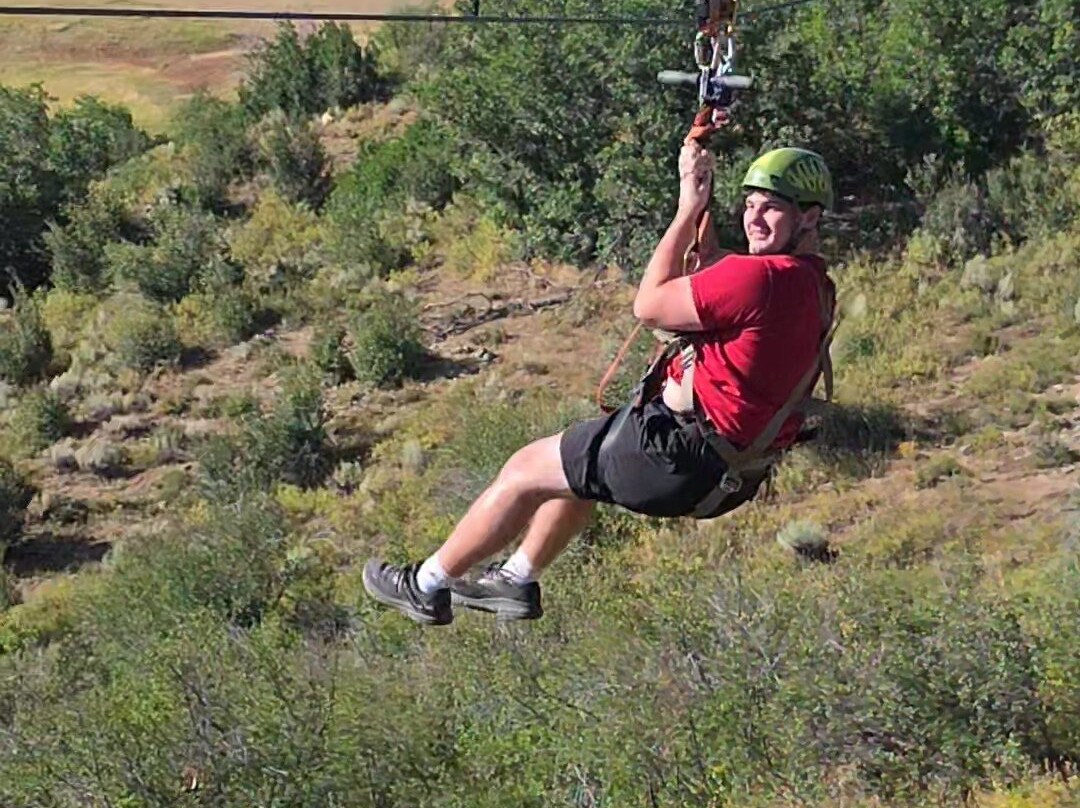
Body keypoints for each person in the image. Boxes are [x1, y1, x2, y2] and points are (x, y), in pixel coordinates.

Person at [362, 144, 836, 625]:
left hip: (670, 456)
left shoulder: (758, 280)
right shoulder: (814, 285)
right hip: (728, 476)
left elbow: (649, 305)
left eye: (771, 207)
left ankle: (424, 585)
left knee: (524, 470)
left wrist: (687, 208)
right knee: (575, 475)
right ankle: (515, 580)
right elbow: (719, 275)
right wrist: (703, 217)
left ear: (809, 217)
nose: (754, 218)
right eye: (750, 204)